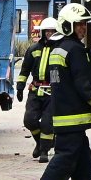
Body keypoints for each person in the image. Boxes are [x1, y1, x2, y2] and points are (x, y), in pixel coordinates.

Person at [28, 3, 91, 180]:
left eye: (84, 24)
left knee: (83, 161)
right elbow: (85, 85)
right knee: (63, 162)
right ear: (67, 26)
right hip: (72, 118)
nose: (83, 28)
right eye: (79, 24)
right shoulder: (75, 50)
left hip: (66, 116)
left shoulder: (59, 48)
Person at [21, 17, 61, 162]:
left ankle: (44, 150)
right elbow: (25, 69)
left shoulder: (59, 49)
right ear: (43, 32)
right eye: (47, 31)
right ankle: (39, 143)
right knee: (29, 120)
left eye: (52, 31)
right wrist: (20, 87)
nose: (49, 33)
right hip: (36, 90)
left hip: (53, 92)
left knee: (47, 123)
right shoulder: (33, 49)